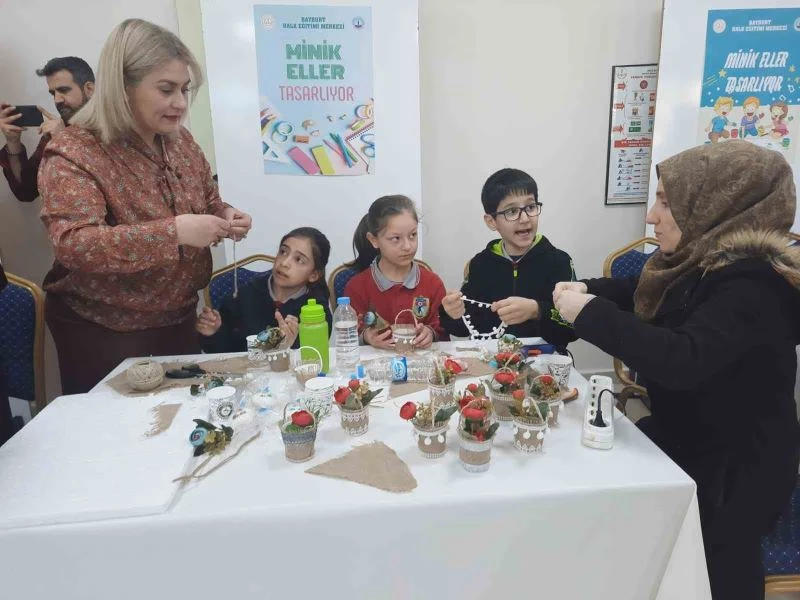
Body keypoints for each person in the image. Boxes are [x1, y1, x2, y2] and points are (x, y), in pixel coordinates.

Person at [552, 141, 800, 600]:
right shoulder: (701, 262)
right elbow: (640, 290)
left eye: (666, 201)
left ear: (715, 204)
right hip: (694, 441)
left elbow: (682, 359)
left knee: (715, 572)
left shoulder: (752, 285)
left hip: (735, 474)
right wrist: (587, 287)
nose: (651, 216)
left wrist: (587, 313)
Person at [39, 19, 252, 394]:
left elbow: (207, 200)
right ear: (122, 88)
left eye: (185, 90)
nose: (181, 103)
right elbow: (75, 244)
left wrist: (224, 215)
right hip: (106, 331)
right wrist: (175, 232)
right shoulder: (74, 151)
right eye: (167, 89)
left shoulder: (180, 141)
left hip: (179, 320)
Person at [439, 168, 576, 350]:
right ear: (491, 221)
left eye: (530, 207)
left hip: (545, 363)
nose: (525, 218)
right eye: (511, 211)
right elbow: (465, 327)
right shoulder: (481, 265)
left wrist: (537, 310)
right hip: (491, 363)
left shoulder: (559, 262)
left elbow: (573, 328)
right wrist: (452, 313)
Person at [197, 227, 332, 352]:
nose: (284, 263)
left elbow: (313, 360)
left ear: (314, 275)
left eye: (299, 260)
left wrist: (288, 344)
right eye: (283, 252)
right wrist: (214, 332)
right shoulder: (245, 294)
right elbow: (225, 352)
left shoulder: (317, 310)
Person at [344, 194, 448, 348]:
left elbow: (443, 331)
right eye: (396, 238)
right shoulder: (357, 287)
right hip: (374, 366)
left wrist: (430, 333)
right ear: (374, 240)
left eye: (413, 235)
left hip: (419, 364)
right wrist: (367, 337)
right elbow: (348, 339)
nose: (407, 246)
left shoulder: (432, 283)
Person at [0, 57, 95, 202]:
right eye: (53, 93)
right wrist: (13, 142)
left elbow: (114, 186)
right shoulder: (57, 130)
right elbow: (26, 191)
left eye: (63, 90)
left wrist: (65, 142)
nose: (57, 99)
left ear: (89, 89)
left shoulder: (115, 125)